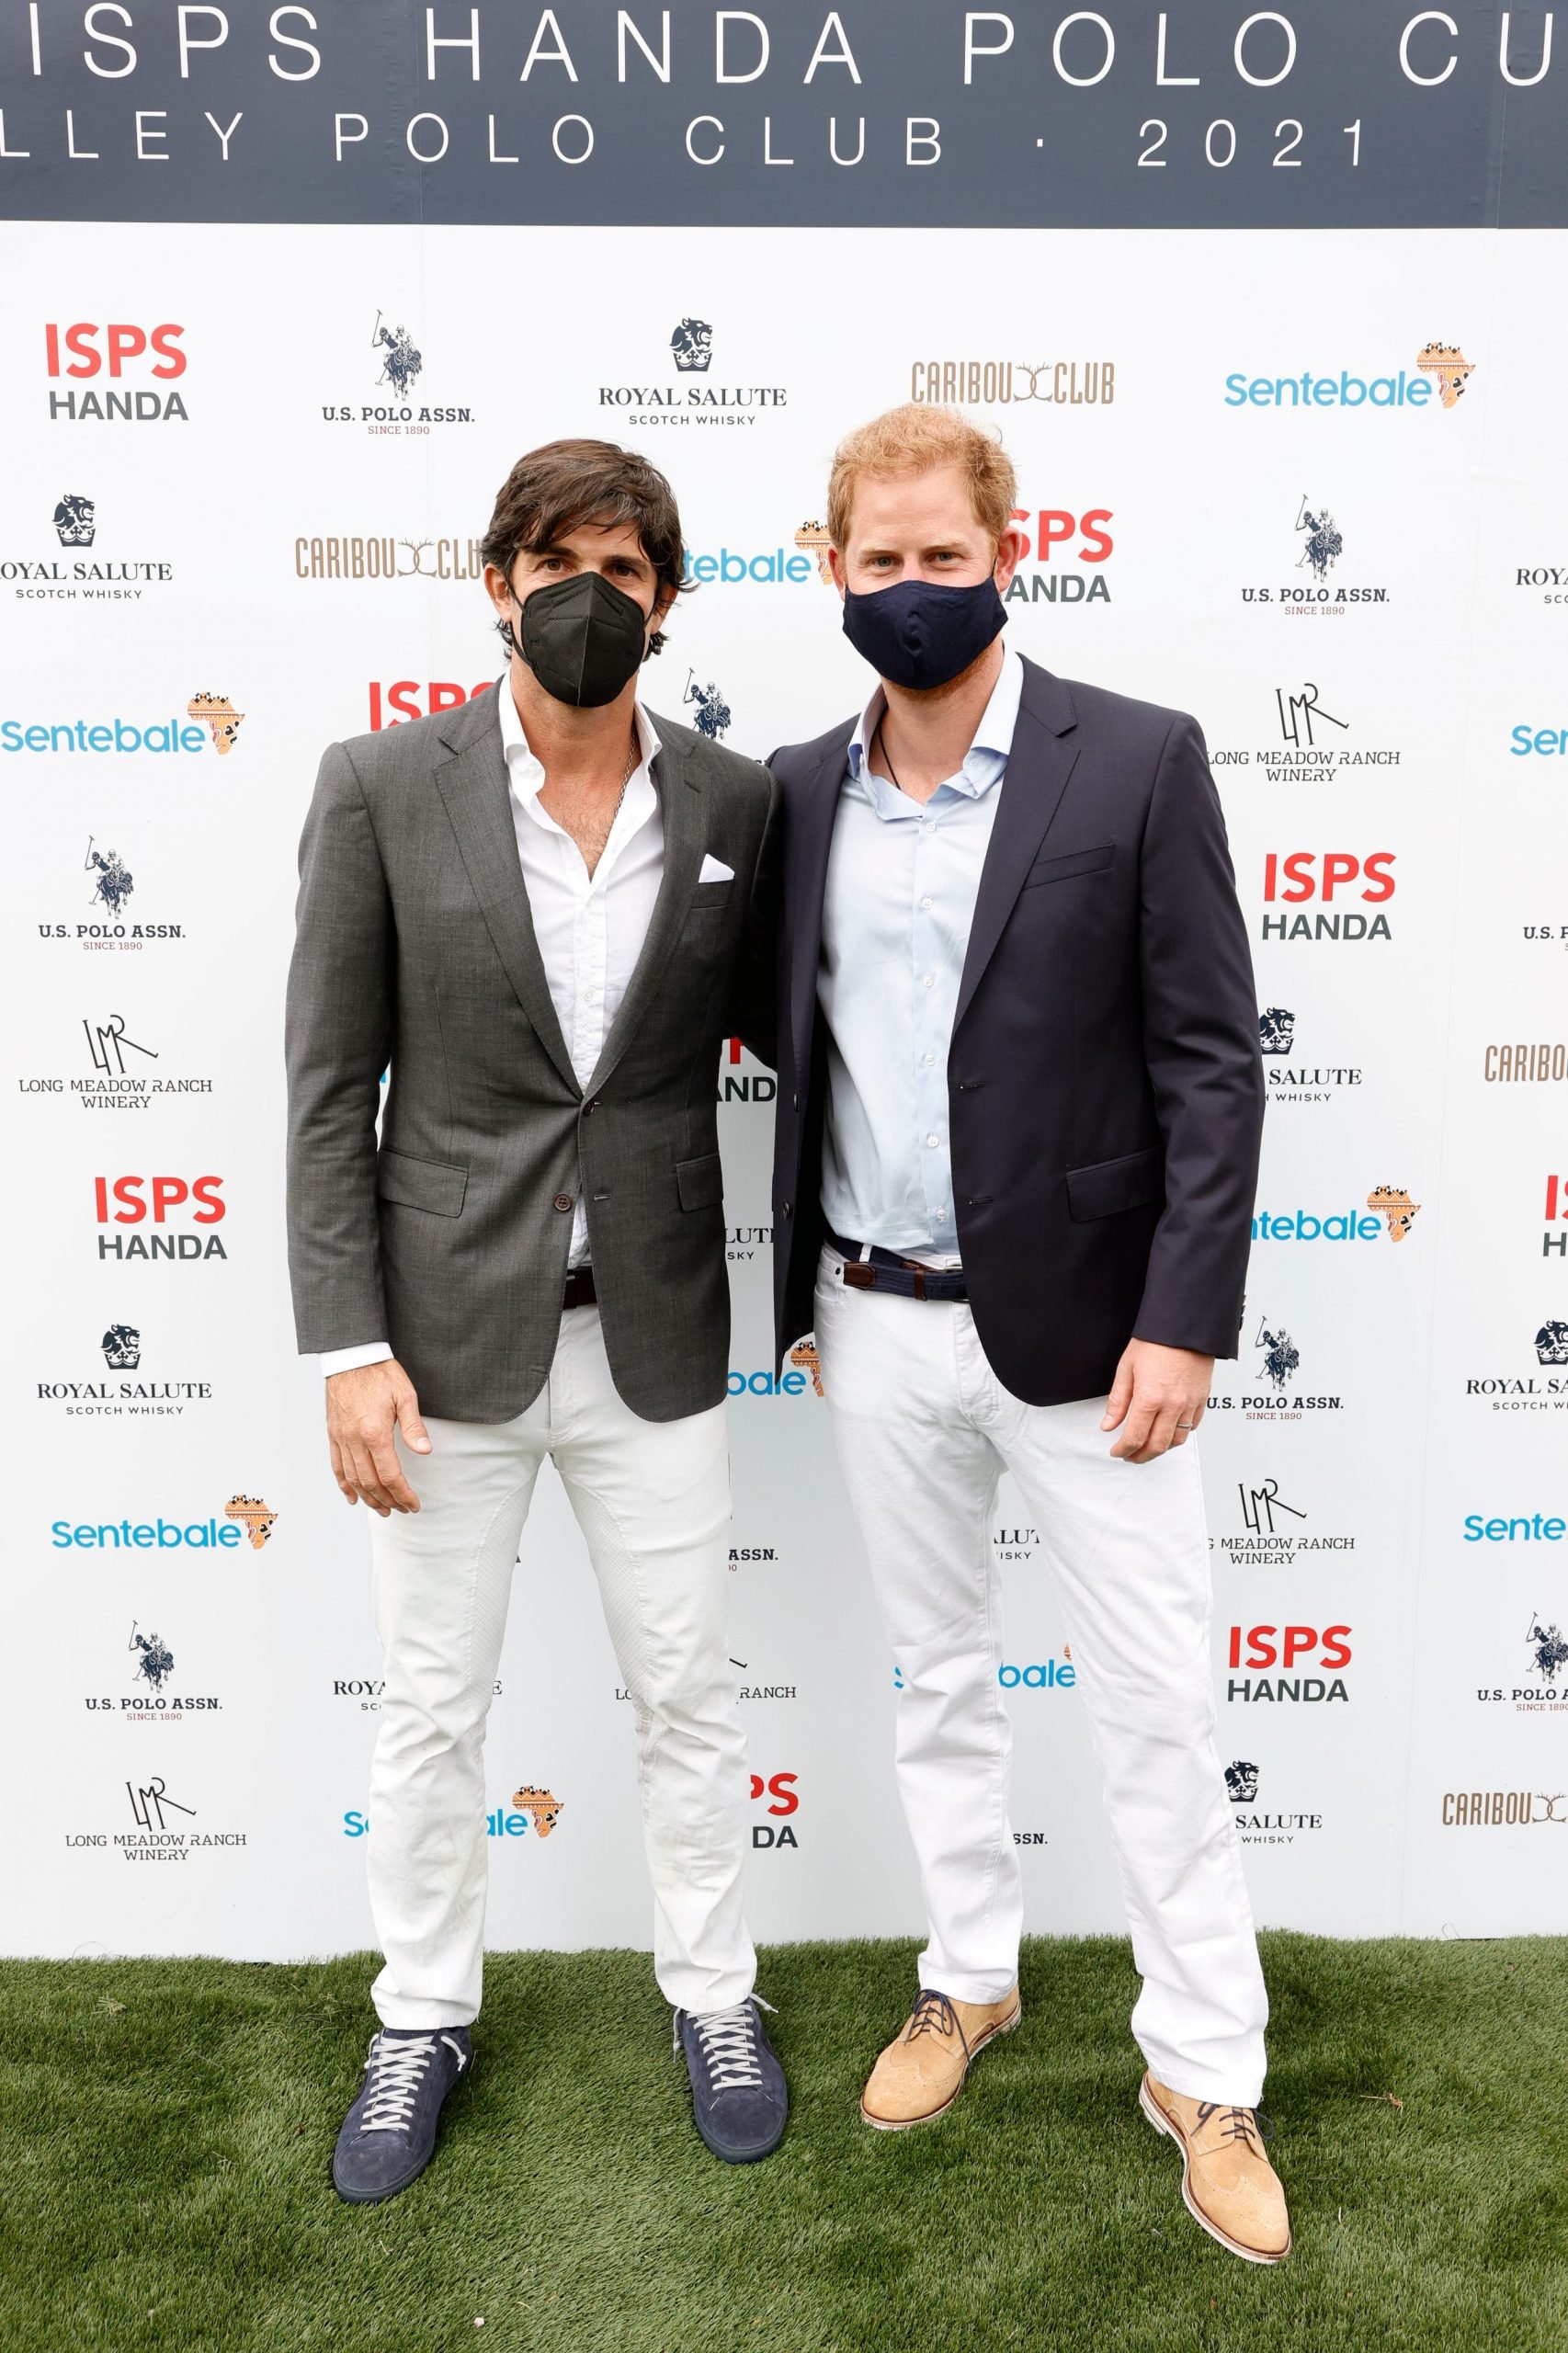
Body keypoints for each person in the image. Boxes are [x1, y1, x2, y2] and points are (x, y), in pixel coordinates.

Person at [763, 405, 1289, 2265]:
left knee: (1156, 1702)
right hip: (871, 1319)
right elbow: (780, 1042)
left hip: (1092, 1340)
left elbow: (1210, 1063)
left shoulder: (1132, 761)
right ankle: (966, 1977)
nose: (913, 587)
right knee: (934, 1678)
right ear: (832, 568)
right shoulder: (796, 789)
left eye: (941, 554)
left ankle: (1203, 2067)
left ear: (1012, 547)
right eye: (878, 560)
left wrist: (1182, 1314)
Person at [285, 438, 785, 2204]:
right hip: (444, 1350)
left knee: (690, 1698)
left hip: (651, 1336)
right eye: (556, 563)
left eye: (625, 571)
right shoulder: (377, 785)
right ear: (495, 578)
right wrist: (347, 1348)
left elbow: (803, 1036)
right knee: (430, 1711)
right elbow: (328, 1085)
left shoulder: (733, 804)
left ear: (666, 599)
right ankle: (420, 2013)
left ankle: (712, 1995)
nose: (590, 597)